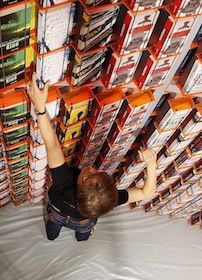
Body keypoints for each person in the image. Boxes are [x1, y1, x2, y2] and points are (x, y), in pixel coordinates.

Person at [26, 72, 158, 242]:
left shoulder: (64, 184)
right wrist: (151, 166)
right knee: (83, 233)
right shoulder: (107, 199)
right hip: (83, 222)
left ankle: (52, 237)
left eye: (88, 176)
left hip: (58, 214)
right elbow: (146, 192)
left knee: (53, 227)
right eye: (98, 173)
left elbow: (51, 145)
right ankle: (82, 238)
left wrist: (40, 107)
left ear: (79, 187)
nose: (90, 168)